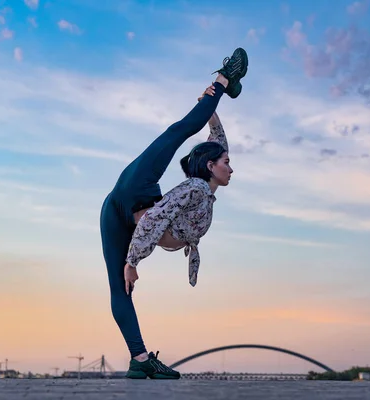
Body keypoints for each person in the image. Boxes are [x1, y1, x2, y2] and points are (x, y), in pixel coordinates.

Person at [99, 48, 248, 380]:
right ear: (210, 167)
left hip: (115, 211)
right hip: (135, 191)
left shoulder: (205, 191)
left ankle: (139, 360)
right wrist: (132, 262)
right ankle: (224, 76)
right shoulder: (196, 188)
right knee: (177, 132)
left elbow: (218, 141)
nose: (232, 168)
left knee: (119, 290)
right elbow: (154, 219)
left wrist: (209, 109)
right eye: (226, 163)